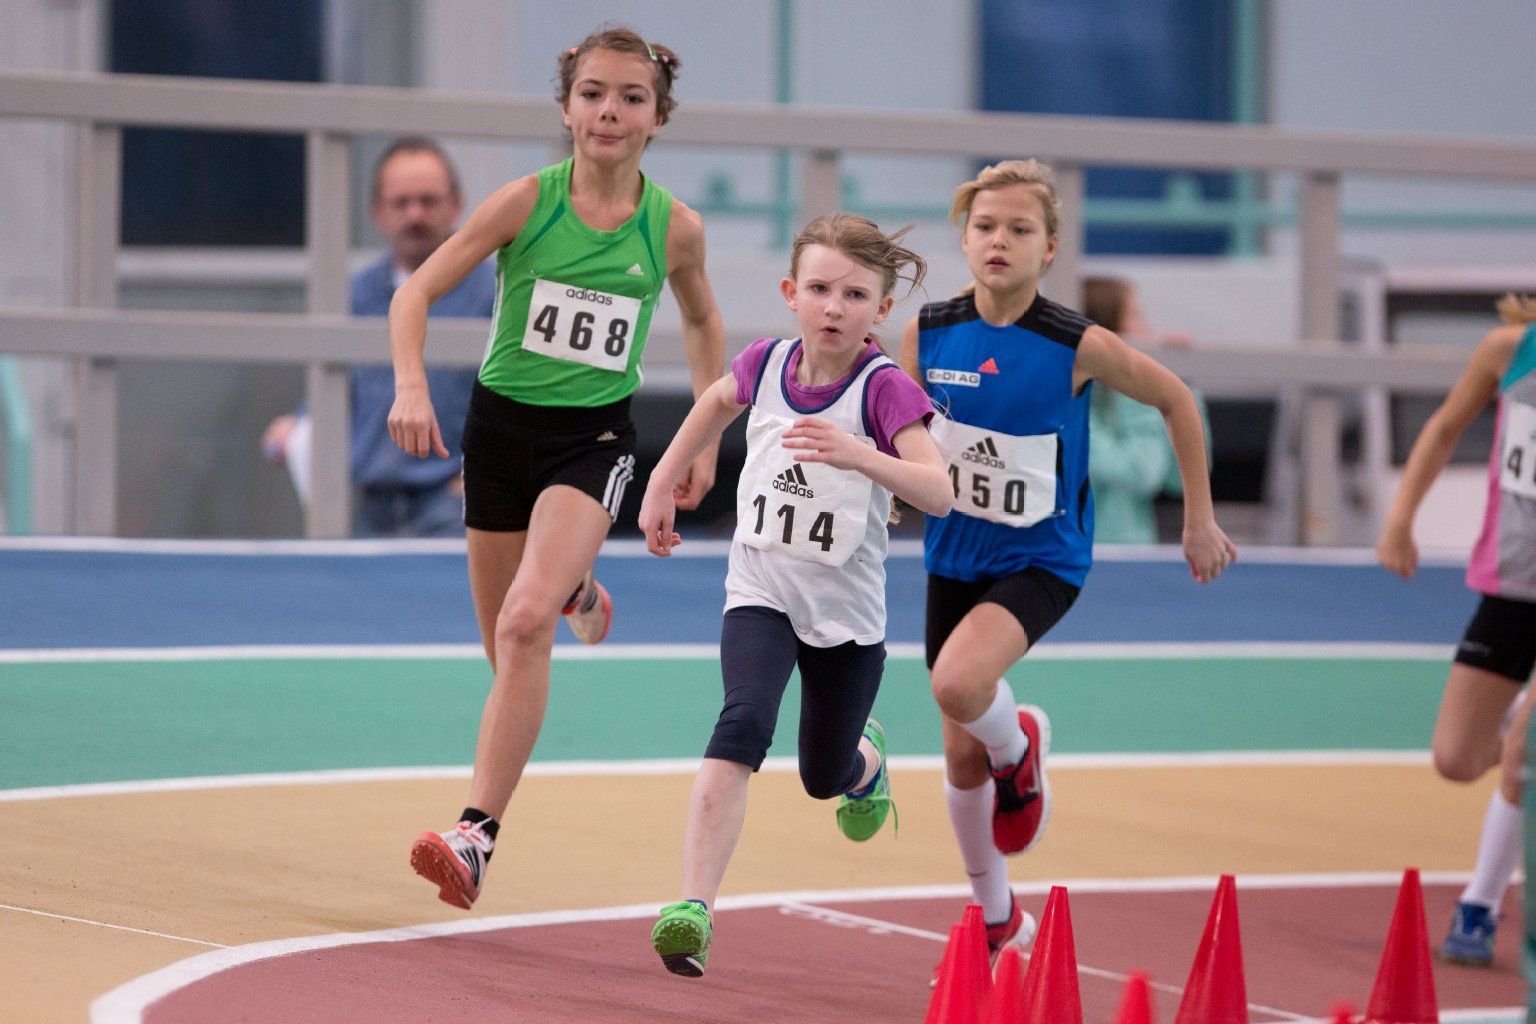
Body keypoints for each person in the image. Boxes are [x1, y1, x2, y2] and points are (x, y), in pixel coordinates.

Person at [389, 27, 725, 910]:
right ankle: (576, 585)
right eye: (593, 94)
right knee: (503, 649)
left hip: (593, 441)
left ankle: (475, 837)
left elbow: (700, 321)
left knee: (523, 623)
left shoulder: (673, 228)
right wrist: (412, 385)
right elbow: (415, 291)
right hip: (499, 435)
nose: (610, 111)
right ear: (567, 108)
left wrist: (703, 434)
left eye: (631, 98)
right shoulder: (524, 204)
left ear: (657, 118)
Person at [899, 160, 1236, 973]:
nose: (999, 241)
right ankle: (998, 918)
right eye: (985, 227)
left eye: (1019, 230)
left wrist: (1198, 518)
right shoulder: (929, 331)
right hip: (953, 555)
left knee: (957, 684)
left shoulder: (1075, 343)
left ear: (1049, 248)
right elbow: (899, 429)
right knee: (958, 756)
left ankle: (1018, 743)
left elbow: (1177, 400)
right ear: (964, 239)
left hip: (1042, 557)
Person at [638, 213, 952, 978]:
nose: (834, 307)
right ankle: (693, 908)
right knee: (743, 719)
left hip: (845, 616)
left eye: (855, 295)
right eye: (819, 289)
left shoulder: (884, 389)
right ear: (791, 293)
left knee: (821, 774)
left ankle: (864, 762)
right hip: (761, 585)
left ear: (881, 309)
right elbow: (716, 402)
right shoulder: (767, 362)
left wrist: (858, 455)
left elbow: (939, 492)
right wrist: (662, 479)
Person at [1377, 293, 1536, 967]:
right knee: (1457, 759)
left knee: (1524, 751)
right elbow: (1444, 429)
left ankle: (1479, 906)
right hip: (1513, 584)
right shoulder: (1511, 350)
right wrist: (1399, 520)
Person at [262, 137, 495, 537]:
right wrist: (297, 425)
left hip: (456, 507)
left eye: (428, 201)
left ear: (457, 205)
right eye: (401, 203)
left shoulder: (494, 291)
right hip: (372, 507)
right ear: (377, 212)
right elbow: (341, 388)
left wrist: (483, 476)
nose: (415, 214)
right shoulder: (357, 293)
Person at [1082, 276, 1205, 545]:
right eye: (1135, 317)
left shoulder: (1126, 405)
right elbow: (1141, 472)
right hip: (1092, 556)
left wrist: (1178, 388)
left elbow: (1178, 479)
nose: (1148, 329)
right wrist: (1143, 391)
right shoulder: (1074, 408)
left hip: (1137, 555)